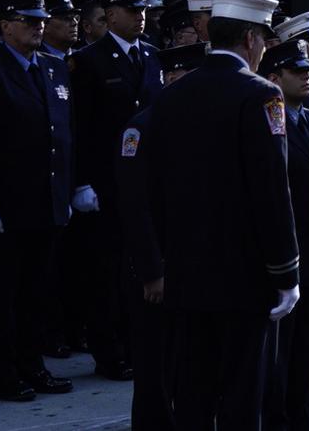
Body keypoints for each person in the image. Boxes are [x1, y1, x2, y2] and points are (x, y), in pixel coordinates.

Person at [145, 0, 300, 427]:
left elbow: (156, 187)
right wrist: (286, 271)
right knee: (241, 395)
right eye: (265, 41)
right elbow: (272, 191)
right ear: (251, 40)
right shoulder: (261, 95)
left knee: (192, 392)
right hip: (244, 277)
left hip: (187, 271)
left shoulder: (173, 95)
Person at [0, 0, 76, 403]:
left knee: (38, 292)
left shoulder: (53, 68)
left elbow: (64, 134)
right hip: (9, 206)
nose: (38, 26)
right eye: (28, 20)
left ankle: (33, 365)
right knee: (5, 297)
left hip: (46, 201)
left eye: (40, 20)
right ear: (5, 26)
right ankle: (3, 375)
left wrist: (68, 188)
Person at [69, 0, 163, 382]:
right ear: (109, 16)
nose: (140, 17)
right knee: (105, 272)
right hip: (106, 183)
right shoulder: (89, 60)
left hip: (146, 182)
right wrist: (83, 182)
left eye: (142, 10)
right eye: (131, 10)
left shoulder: (154, 57)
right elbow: (80, 128)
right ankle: (108, 351)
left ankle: (136, 344)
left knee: (140, 265)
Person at [115, 40, 205, 429]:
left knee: (190, 366)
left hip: (195, 267)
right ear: (170, 78)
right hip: (158, 268)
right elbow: (135, 207)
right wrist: (152, 270)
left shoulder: (202, 125)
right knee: (155, 369)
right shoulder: (142, 127)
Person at [259, 40, 309, 431]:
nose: (307, 76)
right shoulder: (268, 124)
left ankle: (303, 421)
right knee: (278, 356)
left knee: (306, 351)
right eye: (296, 71)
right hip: (283, 257)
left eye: (307, 70)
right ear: (274, 78)